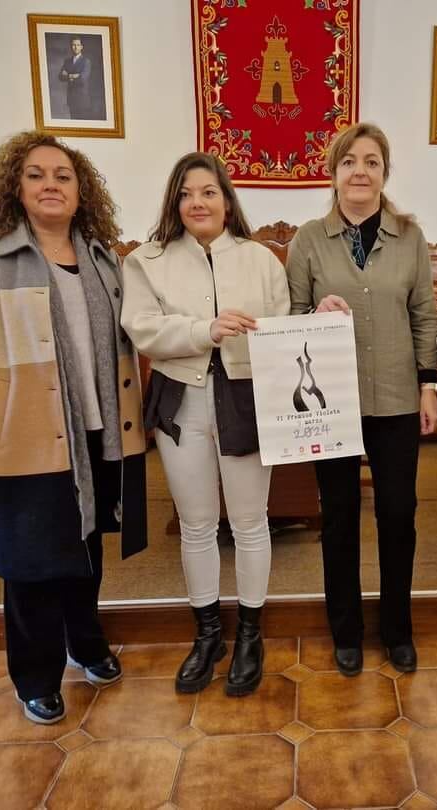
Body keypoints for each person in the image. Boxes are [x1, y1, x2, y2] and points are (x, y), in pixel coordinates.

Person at [0, 131, 148, 724]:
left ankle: (86, 644)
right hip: (23, 434)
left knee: (85, 549)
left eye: (63, 175)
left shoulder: (105, 260)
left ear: (82, 193)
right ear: (16, 187)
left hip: (96, 429)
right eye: (36, 174)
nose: (51, 184)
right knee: (31, 560)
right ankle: (35, 674)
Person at [121, 152, 289, 696]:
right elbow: (142, 329)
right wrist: (204, 329)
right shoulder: (147, 260)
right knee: (195, 525)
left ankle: (250, 636)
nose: (198, 202)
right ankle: (208, 633)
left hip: (245, 397)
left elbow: (283, 329)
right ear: (175, 200)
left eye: (209, 192)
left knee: (248, 521)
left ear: (226, 199)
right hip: (181, 398)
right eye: (188, 192)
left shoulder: (261, 258)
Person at [286, 122, 437, 676]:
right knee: (341, 517)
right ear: (334, 172)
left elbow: (424, 314)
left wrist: (429, 386)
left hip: (398, 397)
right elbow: (289, 319)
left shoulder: (410, 237)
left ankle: (397, 629)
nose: (359, 171)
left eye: (371, 161)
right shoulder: (307, 240)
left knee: (399, 514)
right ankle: (345, 630)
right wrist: (312, 315)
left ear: (383, 173)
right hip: (331, 401)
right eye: (349, 161)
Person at [58, 37, 92, 119]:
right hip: (71, 99)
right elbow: (60, 77)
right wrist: (73, 75)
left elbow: (82, 79)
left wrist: (68, 75)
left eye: (78, 45)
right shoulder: (67, 61)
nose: (76, 47)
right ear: (71, 46)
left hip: (82, 99)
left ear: (81, 47)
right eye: (73, 45)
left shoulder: (86, 61)